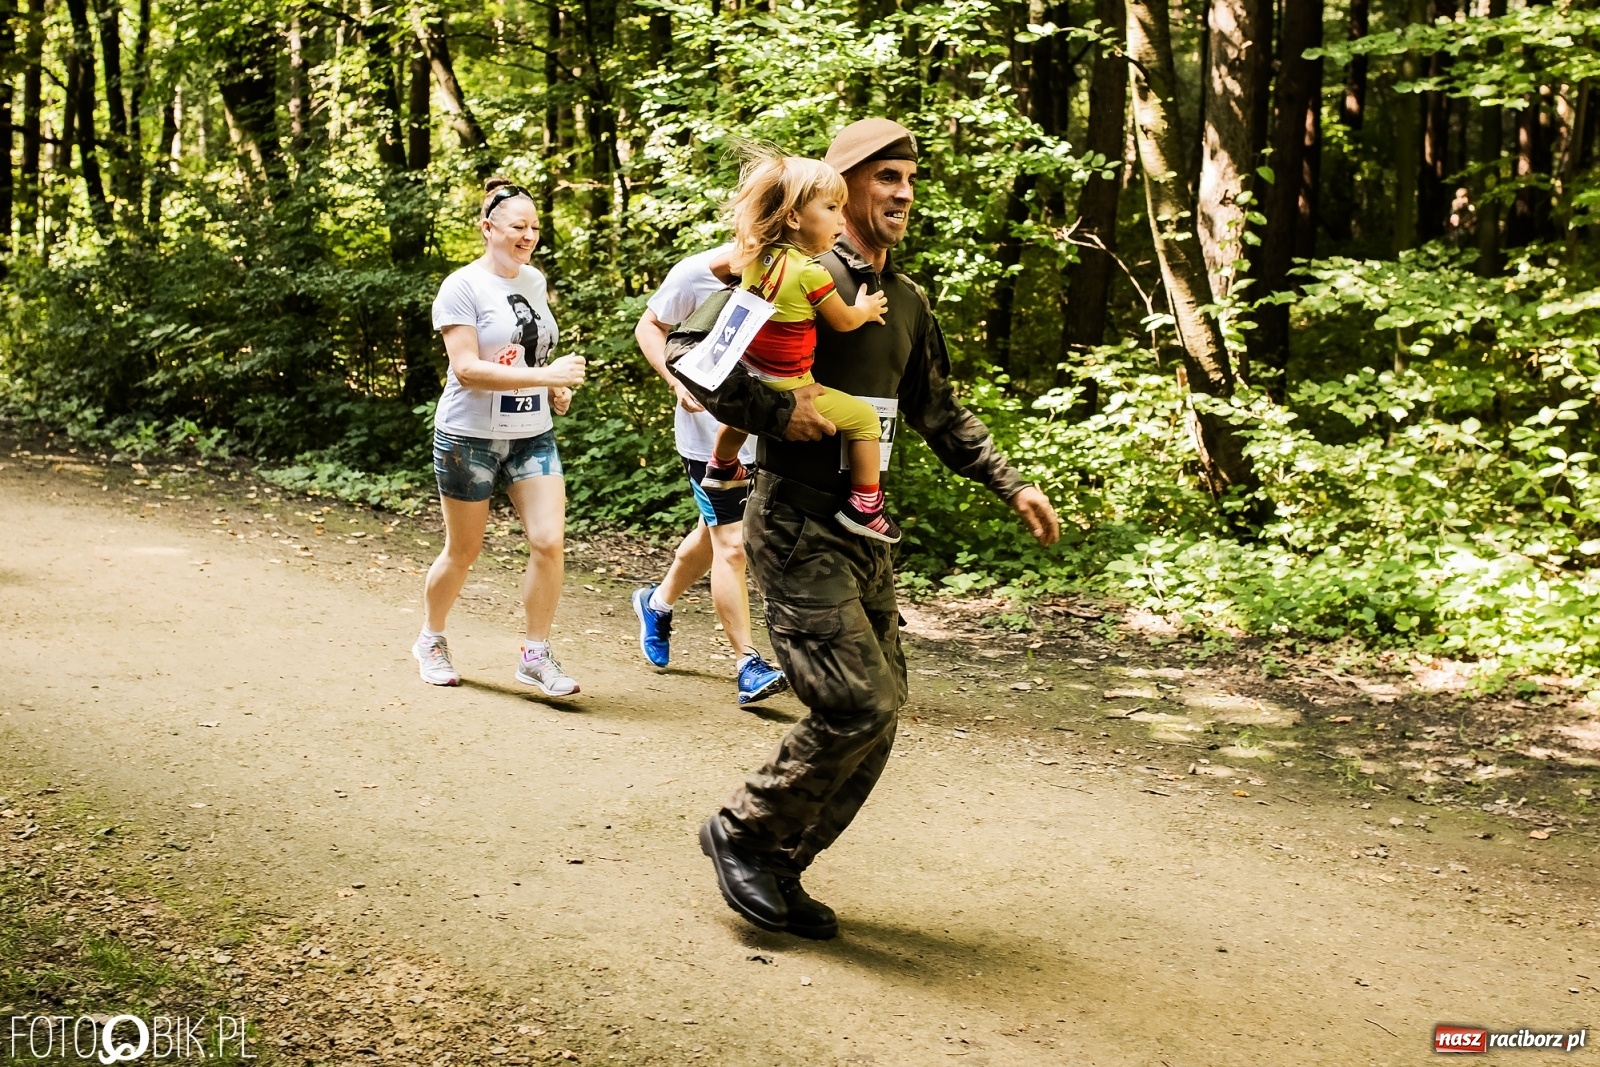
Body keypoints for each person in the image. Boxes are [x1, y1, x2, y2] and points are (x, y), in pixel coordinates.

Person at [675, 119, 1062, 939]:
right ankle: (743, 831)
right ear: (841, 186)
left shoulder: (905, 302)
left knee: (882, 711)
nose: (904, 193)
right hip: (796, 522)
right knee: (858, 702)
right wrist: (779, 411)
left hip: (865, 530)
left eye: (910, 179)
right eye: (886, 176)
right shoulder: (794, 271)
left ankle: (780, 860)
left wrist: (1012, 482)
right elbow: (690, 351)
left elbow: (938, 411)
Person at [412, 177, 588, 697]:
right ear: (488, 228)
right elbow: (467, 369)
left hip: (531, 434)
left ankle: (535, 655)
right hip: (469, 437)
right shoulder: (462, 287)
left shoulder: (534, 280)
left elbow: (530, 353)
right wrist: (545, 376)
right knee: (463, 551)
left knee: (549, 541)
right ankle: (431, 639)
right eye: (517, 226)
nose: (528, 236)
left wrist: (553, 388)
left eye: (534, 227)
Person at [698, 150, 897, 543]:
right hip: (789, 386)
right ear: (793, 217)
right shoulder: (810, 272)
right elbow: (843, 322)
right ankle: (866, 505)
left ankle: (721, 466)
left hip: (750, 375)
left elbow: (718, 268)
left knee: (741, 419)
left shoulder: (756, 255)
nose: (842, 220)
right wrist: (866, 308)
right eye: (831, 208)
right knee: (865, 421)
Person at [630, 246, 789, 705]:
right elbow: (649, 325)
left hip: (771, 436)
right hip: (708, 441)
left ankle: (656, 603)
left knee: (712, 533)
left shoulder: (799, 272)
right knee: (732, 544)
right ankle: (747, 665)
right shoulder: (695, 274)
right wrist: (675, 379)